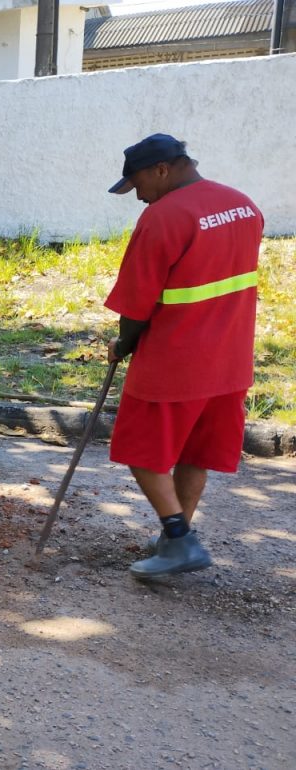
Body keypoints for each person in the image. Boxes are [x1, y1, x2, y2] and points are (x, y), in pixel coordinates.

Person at [104, 133, 263, 579]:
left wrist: (125, 344)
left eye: (137, 185)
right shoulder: (244, 205)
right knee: (196, 451)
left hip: (176, 362)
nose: (138, 197)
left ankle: (178, 540)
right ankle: (177, 537)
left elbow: (137, 302)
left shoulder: (164, 218)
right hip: (230, 358)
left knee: (141, 450)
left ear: (162, 170)